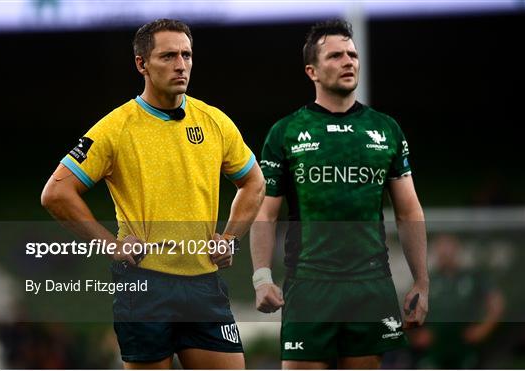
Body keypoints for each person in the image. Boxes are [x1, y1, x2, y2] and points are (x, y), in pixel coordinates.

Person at [41, 18, 265, 369]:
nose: (181, 65)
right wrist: (111, 246)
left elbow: (254, 182)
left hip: (203, 283)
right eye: (168, 56)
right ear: (141, 64)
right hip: (144, 286)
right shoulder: (116, 128)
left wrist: (231, 237)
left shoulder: (214, 121)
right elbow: (55, 193)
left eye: (187, 55)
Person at [250, 19, 429, 369]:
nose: (348, 61)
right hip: (309, 284)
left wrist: (421, 282)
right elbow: (265, 213)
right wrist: (261, 278)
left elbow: (409, 211)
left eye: (352, 54)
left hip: (370, 285)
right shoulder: (286, 132)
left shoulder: (385, 129)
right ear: (312, 71)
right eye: (336, 56)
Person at [409, 234, 504, 368]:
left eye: (448, 247)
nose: (445, 252)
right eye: (441, 247)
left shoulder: (473, 277)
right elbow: (409, 309)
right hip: (435, 348)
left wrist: (483, 329)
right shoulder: (426, 280)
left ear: (456, 249)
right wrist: (416, 334)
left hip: (465, 345)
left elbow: (496, 304)